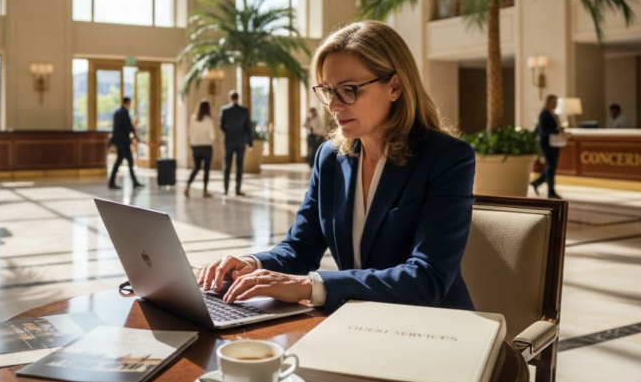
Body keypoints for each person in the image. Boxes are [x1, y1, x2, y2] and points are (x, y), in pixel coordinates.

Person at [197, 20, 476, 312]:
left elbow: (427, 278)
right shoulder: (330, 158)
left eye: (349, 90)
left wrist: (311, 286)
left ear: (395, 86)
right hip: (357, 323)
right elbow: (299, 249)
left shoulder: (446, 158)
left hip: (435, 329)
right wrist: (251, 264)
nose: (333, 105)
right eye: (328, 90)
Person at [219, 91, 253, 196]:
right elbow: (248, 127)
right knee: (239, 165)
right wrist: (250, 142)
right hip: (240, 141)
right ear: (238, 98)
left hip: (229, 140)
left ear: (230, 98)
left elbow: (221, 125)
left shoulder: (224, 110)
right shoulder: (244, 110)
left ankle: (226, 189)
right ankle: (237, 189)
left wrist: (228, 132)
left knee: (227, 165)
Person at [531, 94, 565, 199]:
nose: (556, 104)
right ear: (549, 102)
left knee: (551, 167)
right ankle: (551, 192)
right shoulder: (544, 114)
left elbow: (555, 127)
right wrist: (556, 131)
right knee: (550, 168)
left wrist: (560, 129)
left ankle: (536, 183)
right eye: (554, 101)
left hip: (555, 143)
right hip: (546, 144)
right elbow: (542, 131)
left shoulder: (554, 114)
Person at [108, 97, 144, 189]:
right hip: (123, 142)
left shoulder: (117, 112)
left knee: (123, 161)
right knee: (125, 161)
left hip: (119, 141)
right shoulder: (124, 113)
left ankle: (132, 181)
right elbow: (128, 127)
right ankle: (132, 181)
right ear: (127, 103)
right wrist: (135, 136)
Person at [185, 100, 216, 198]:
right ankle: (205, 191)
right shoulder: (209, 120)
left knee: (196, 167)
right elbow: (212, 135)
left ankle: (188, 186)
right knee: (206, 169)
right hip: (206, 146)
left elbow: (189, 133)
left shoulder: (193, 118)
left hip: (195, 146)